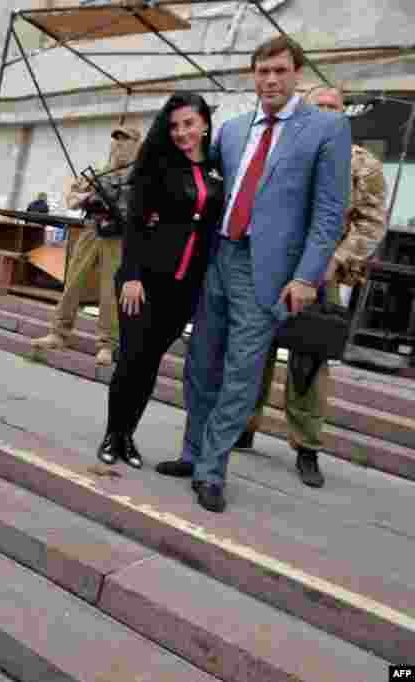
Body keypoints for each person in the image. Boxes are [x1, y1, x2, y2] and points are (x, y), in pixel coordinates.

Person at [155, 36, 351, 513]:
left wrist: (306, 277)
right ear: (253, 75)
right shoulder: (234, 129)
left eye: (280, 71)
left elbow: (329, 213)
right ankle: (192, 452)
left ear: (297, 74)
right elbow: (205, 187)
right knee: (201, 364)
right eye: (263, 71)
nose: (270, 80)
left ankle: (212, 470)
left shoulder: (326, 129)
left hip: (266, 271)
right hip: (216, 258)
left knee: (241, 373)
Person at [236, 84, 387, 487]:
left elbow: (372, 223)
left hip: (321, 274)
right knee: (255, 348)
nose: (324, 112)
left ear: (344, 114)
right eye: (317, 105)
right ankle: (242, 426)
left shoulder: (361, 163)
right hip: (270, 265)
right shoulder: (285, 147)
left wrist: (335, 260)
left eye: (332, 107)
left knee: (310, 360)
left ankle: (306, 446)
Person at [97, 93, 224, 469]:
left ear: (204, 124)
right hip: (144, 281)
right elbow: (135, 223)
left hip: (185, 288)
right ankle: (113, 435)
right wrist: (132, 275)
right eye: (175, 126)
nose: (182, 132)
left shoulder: (217, 168)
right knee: (132, 358)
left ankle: (129, 436)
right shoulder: (157, 164)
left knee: (150, 362)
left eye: (189, 124)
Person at [32, 125, 141, 366]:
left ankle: (107, 344)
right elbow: (71, 200)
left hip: (119, 235)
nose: (119, 145)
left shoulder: (142, 174)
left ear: (137, 144)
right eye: (116, 140)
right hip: (92, 229)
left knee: (110, 290)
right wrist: (87, 198)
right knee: (73, 281)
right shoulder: (97, 174)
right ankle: (58, 333)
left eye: (126, 140)